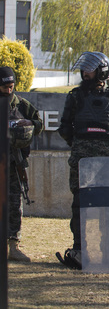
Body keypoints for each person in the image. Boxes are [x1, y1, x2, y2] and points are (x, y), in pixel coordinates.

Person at [57, 52, 109, 268]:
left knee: (107, 204)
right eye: (84, 69)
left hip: (108, 159)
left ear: (102, 71)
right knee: (80, 203)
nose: (85, 73)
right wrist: (80, 145)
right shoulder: (75, 96)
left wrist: (108, 147)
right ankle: (79, 248)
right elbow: (65, 127)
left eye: (90, 69)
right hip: (81, 156)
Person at [0, 66, 43, 262]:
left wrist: (26, 127)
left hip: (15, 163)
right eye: (4, 87)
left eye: (11, 86)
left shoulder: (22, 105)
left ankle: (13, 246)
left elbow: (38, 124)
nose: (8, 91)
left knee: (14, 204)